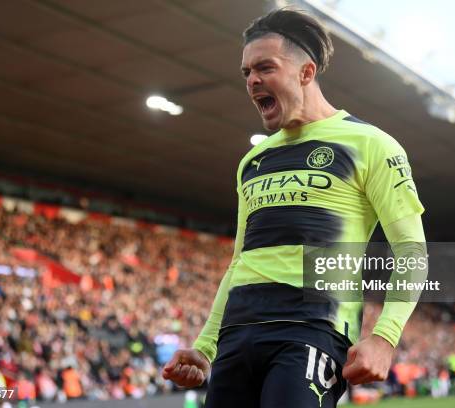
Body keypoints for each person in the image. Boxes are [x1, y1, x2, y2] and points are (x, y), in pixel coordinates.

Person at [163, 8, 427, 408]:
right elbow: (239, 262)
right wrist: (205, 348)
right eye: (246, 72)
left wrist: (384, 337)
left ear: (306, 72)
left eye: (265, 68)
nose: (253, 81)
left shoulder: (370, 144)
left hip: (313, 327)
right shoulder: (252, 162)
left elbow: (412, 250)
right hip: (239, 331)